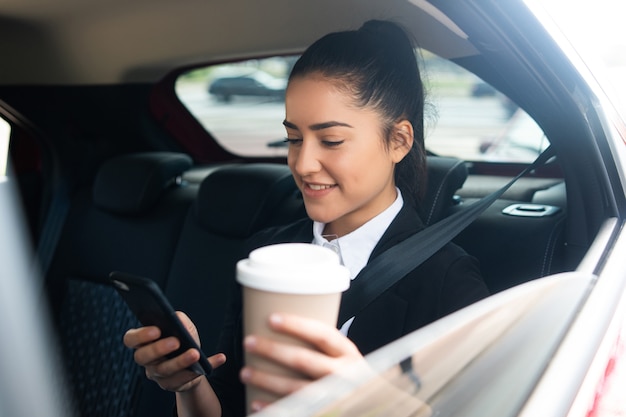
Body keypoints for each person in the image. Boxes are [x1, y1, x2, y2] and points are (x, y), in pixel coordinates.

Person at [123, 19, 489, 417]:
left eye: (330, 140)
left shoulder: (446, 280)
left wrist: (377, 402)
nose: (303, 163)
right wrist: (190, 383)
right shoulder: (265, 252)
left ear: (398, 141)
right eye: (293, 139)